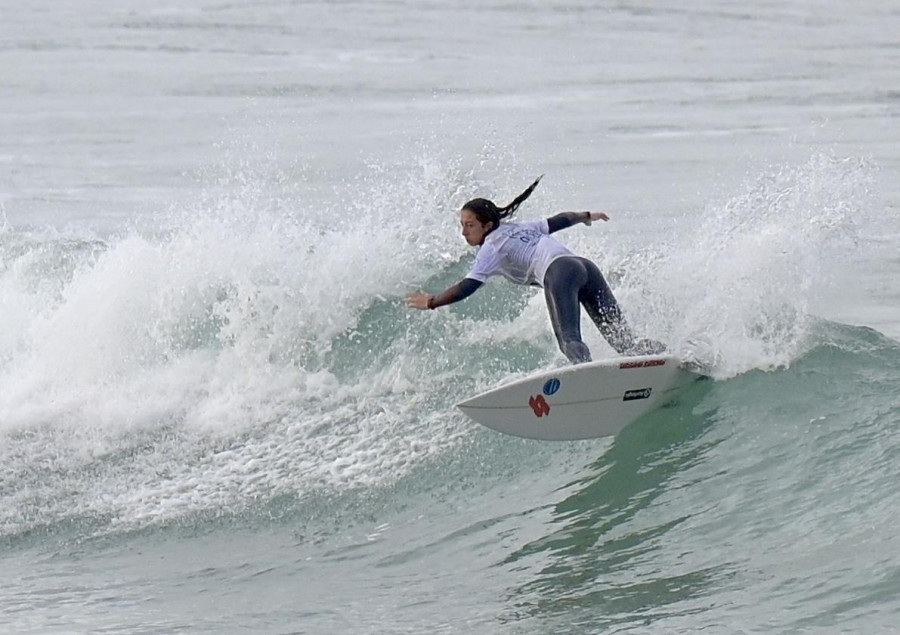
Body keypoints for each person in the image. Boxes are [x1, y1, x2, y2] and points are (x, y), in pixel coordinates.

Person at [405, 176, 664, 364]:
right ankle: (668, 354)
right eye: (462, 225)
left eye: (470, 225)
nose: (464, 232)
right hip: (585, 267)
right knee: (624, 342)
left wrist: (432, 301)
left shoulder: (491, 248)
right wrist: (587, 215)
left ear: (487, 225)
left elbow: (467, 286)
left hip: (559, 273)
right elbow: (559, 220)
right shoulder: (519, 227)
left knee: (569, 341)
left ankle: (586, 374)